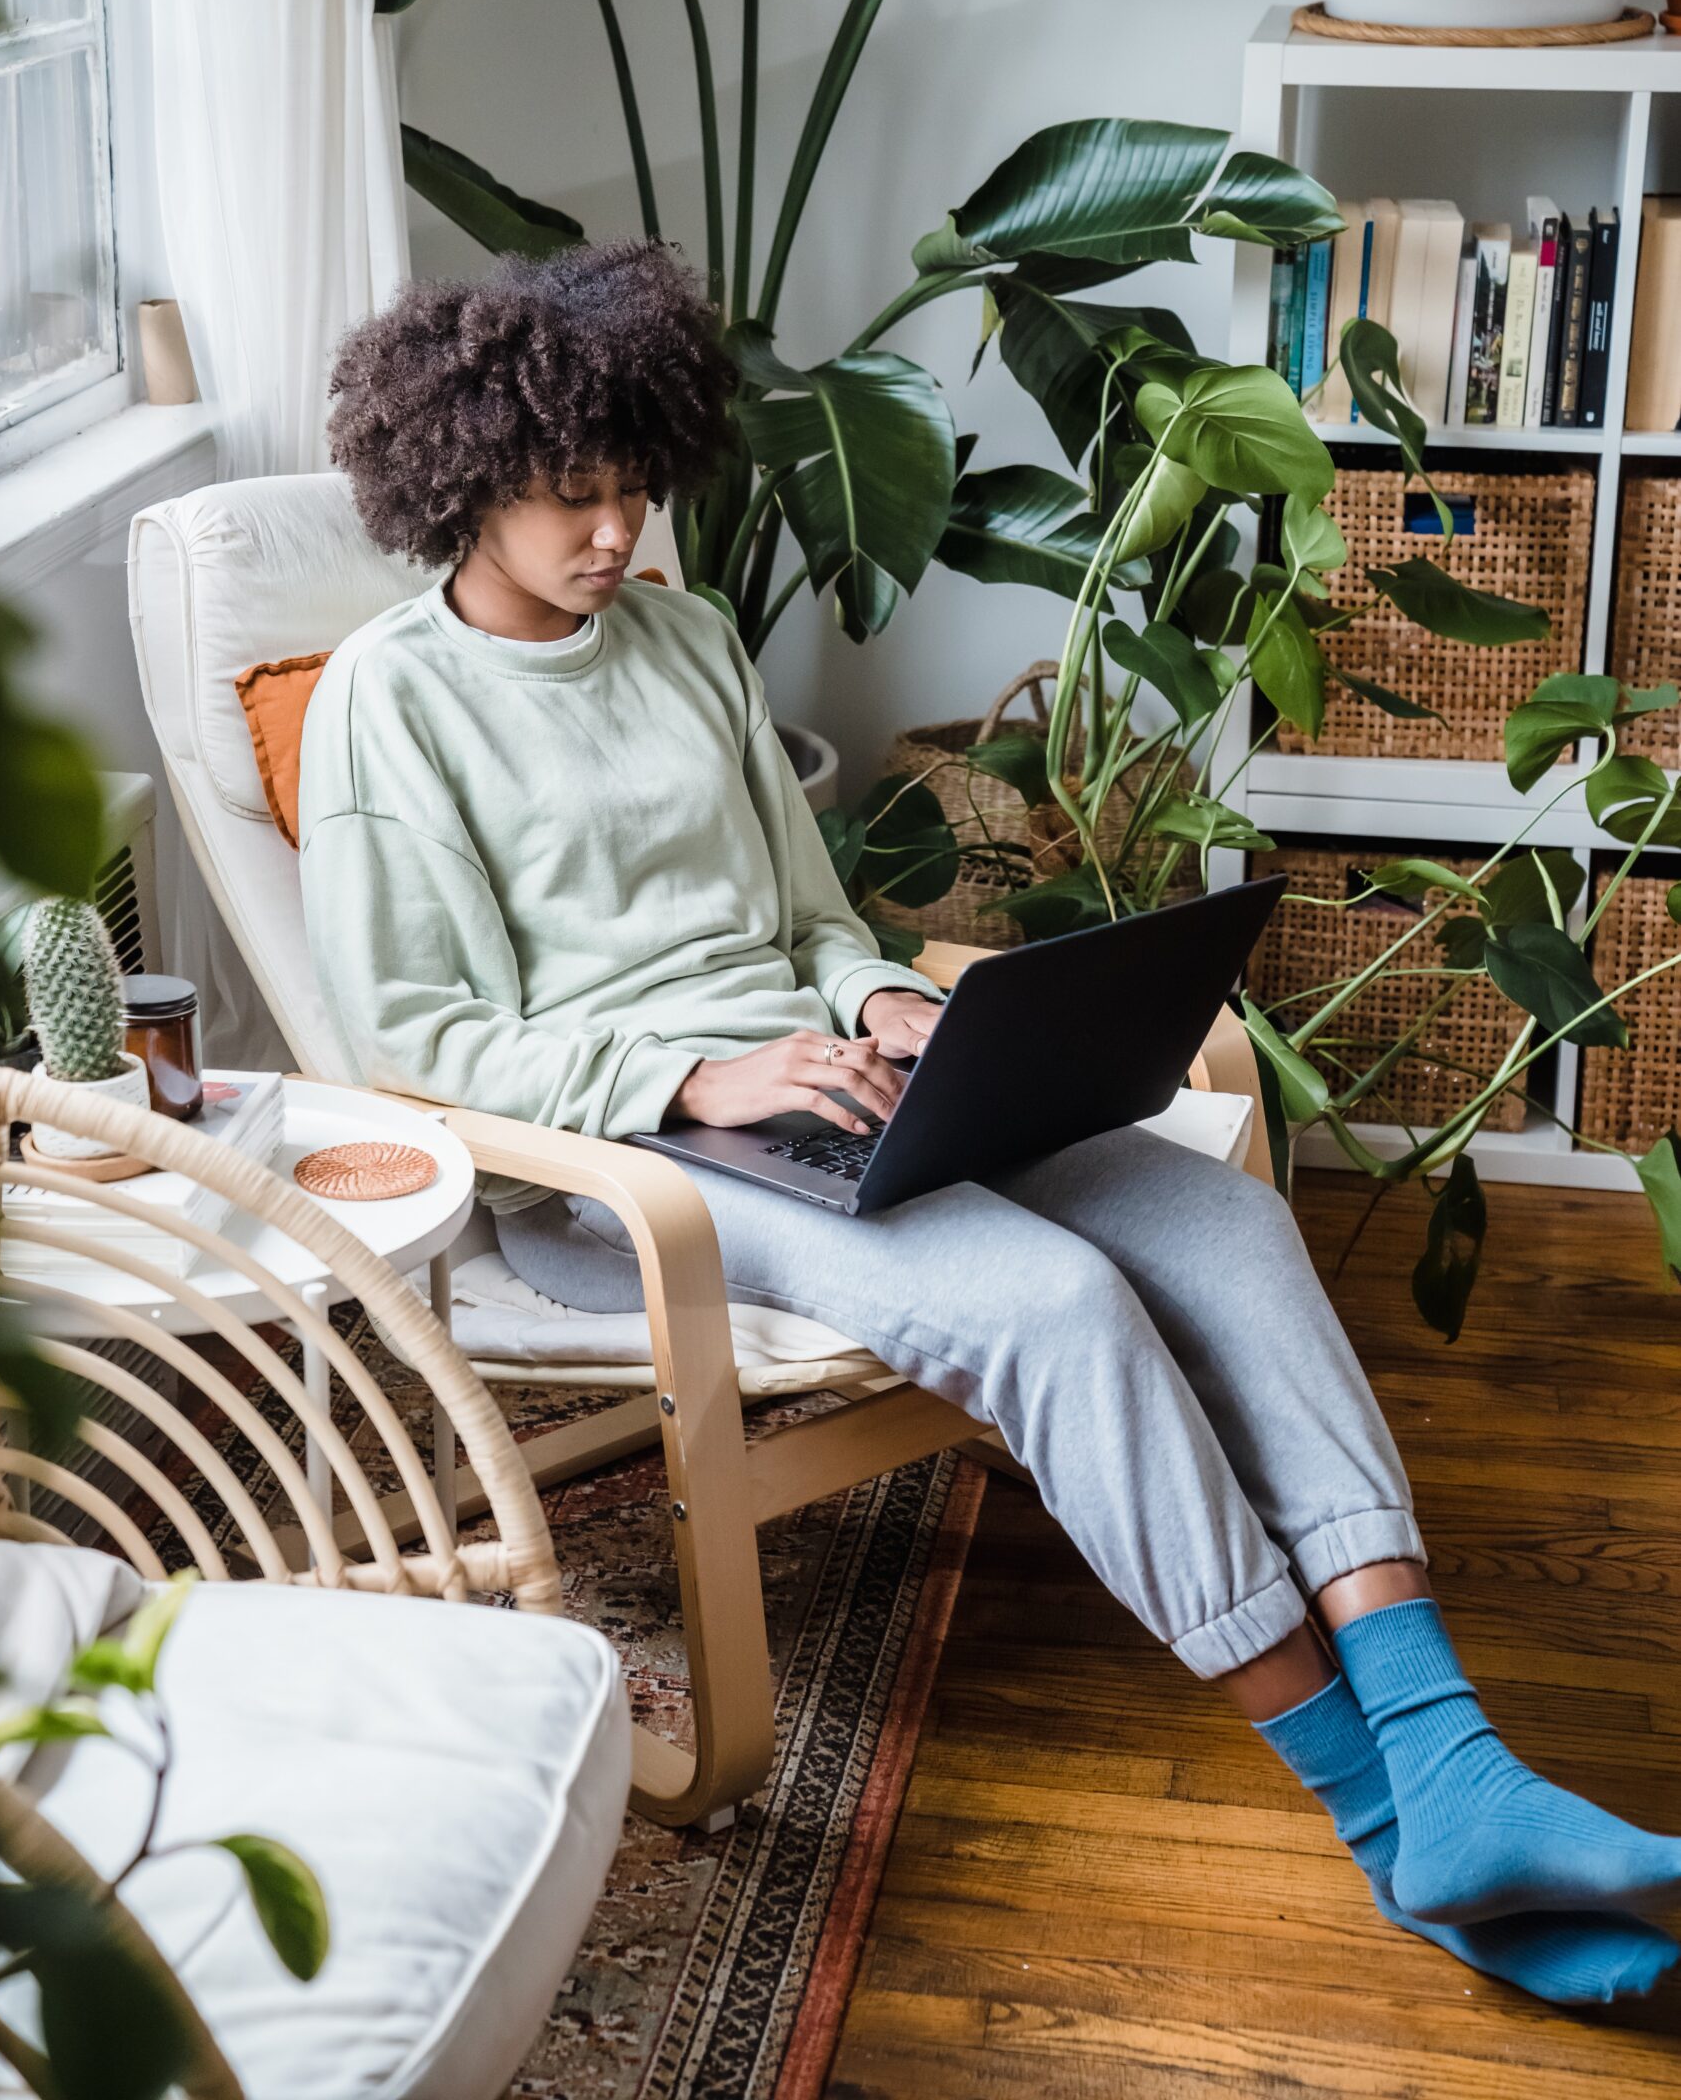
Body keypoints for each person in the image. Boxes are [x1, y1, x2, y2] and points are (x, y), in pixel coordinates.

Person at [299, 241, 1681, 2006]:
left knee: (1219, 1218)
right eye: (572, 501)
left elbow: (805, 919)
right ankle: (1391, 1825)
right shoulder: (390, 704)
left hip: (826, 1073)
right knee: (1054, 1308)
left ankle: (1453, 1756)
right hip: (625, 1162)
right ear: (462, 486)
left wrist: (873, 997)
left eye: (635, 488)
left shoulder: (691, 636)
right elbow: (418, 1038)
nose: (616, 535)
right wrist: (693, 1082)